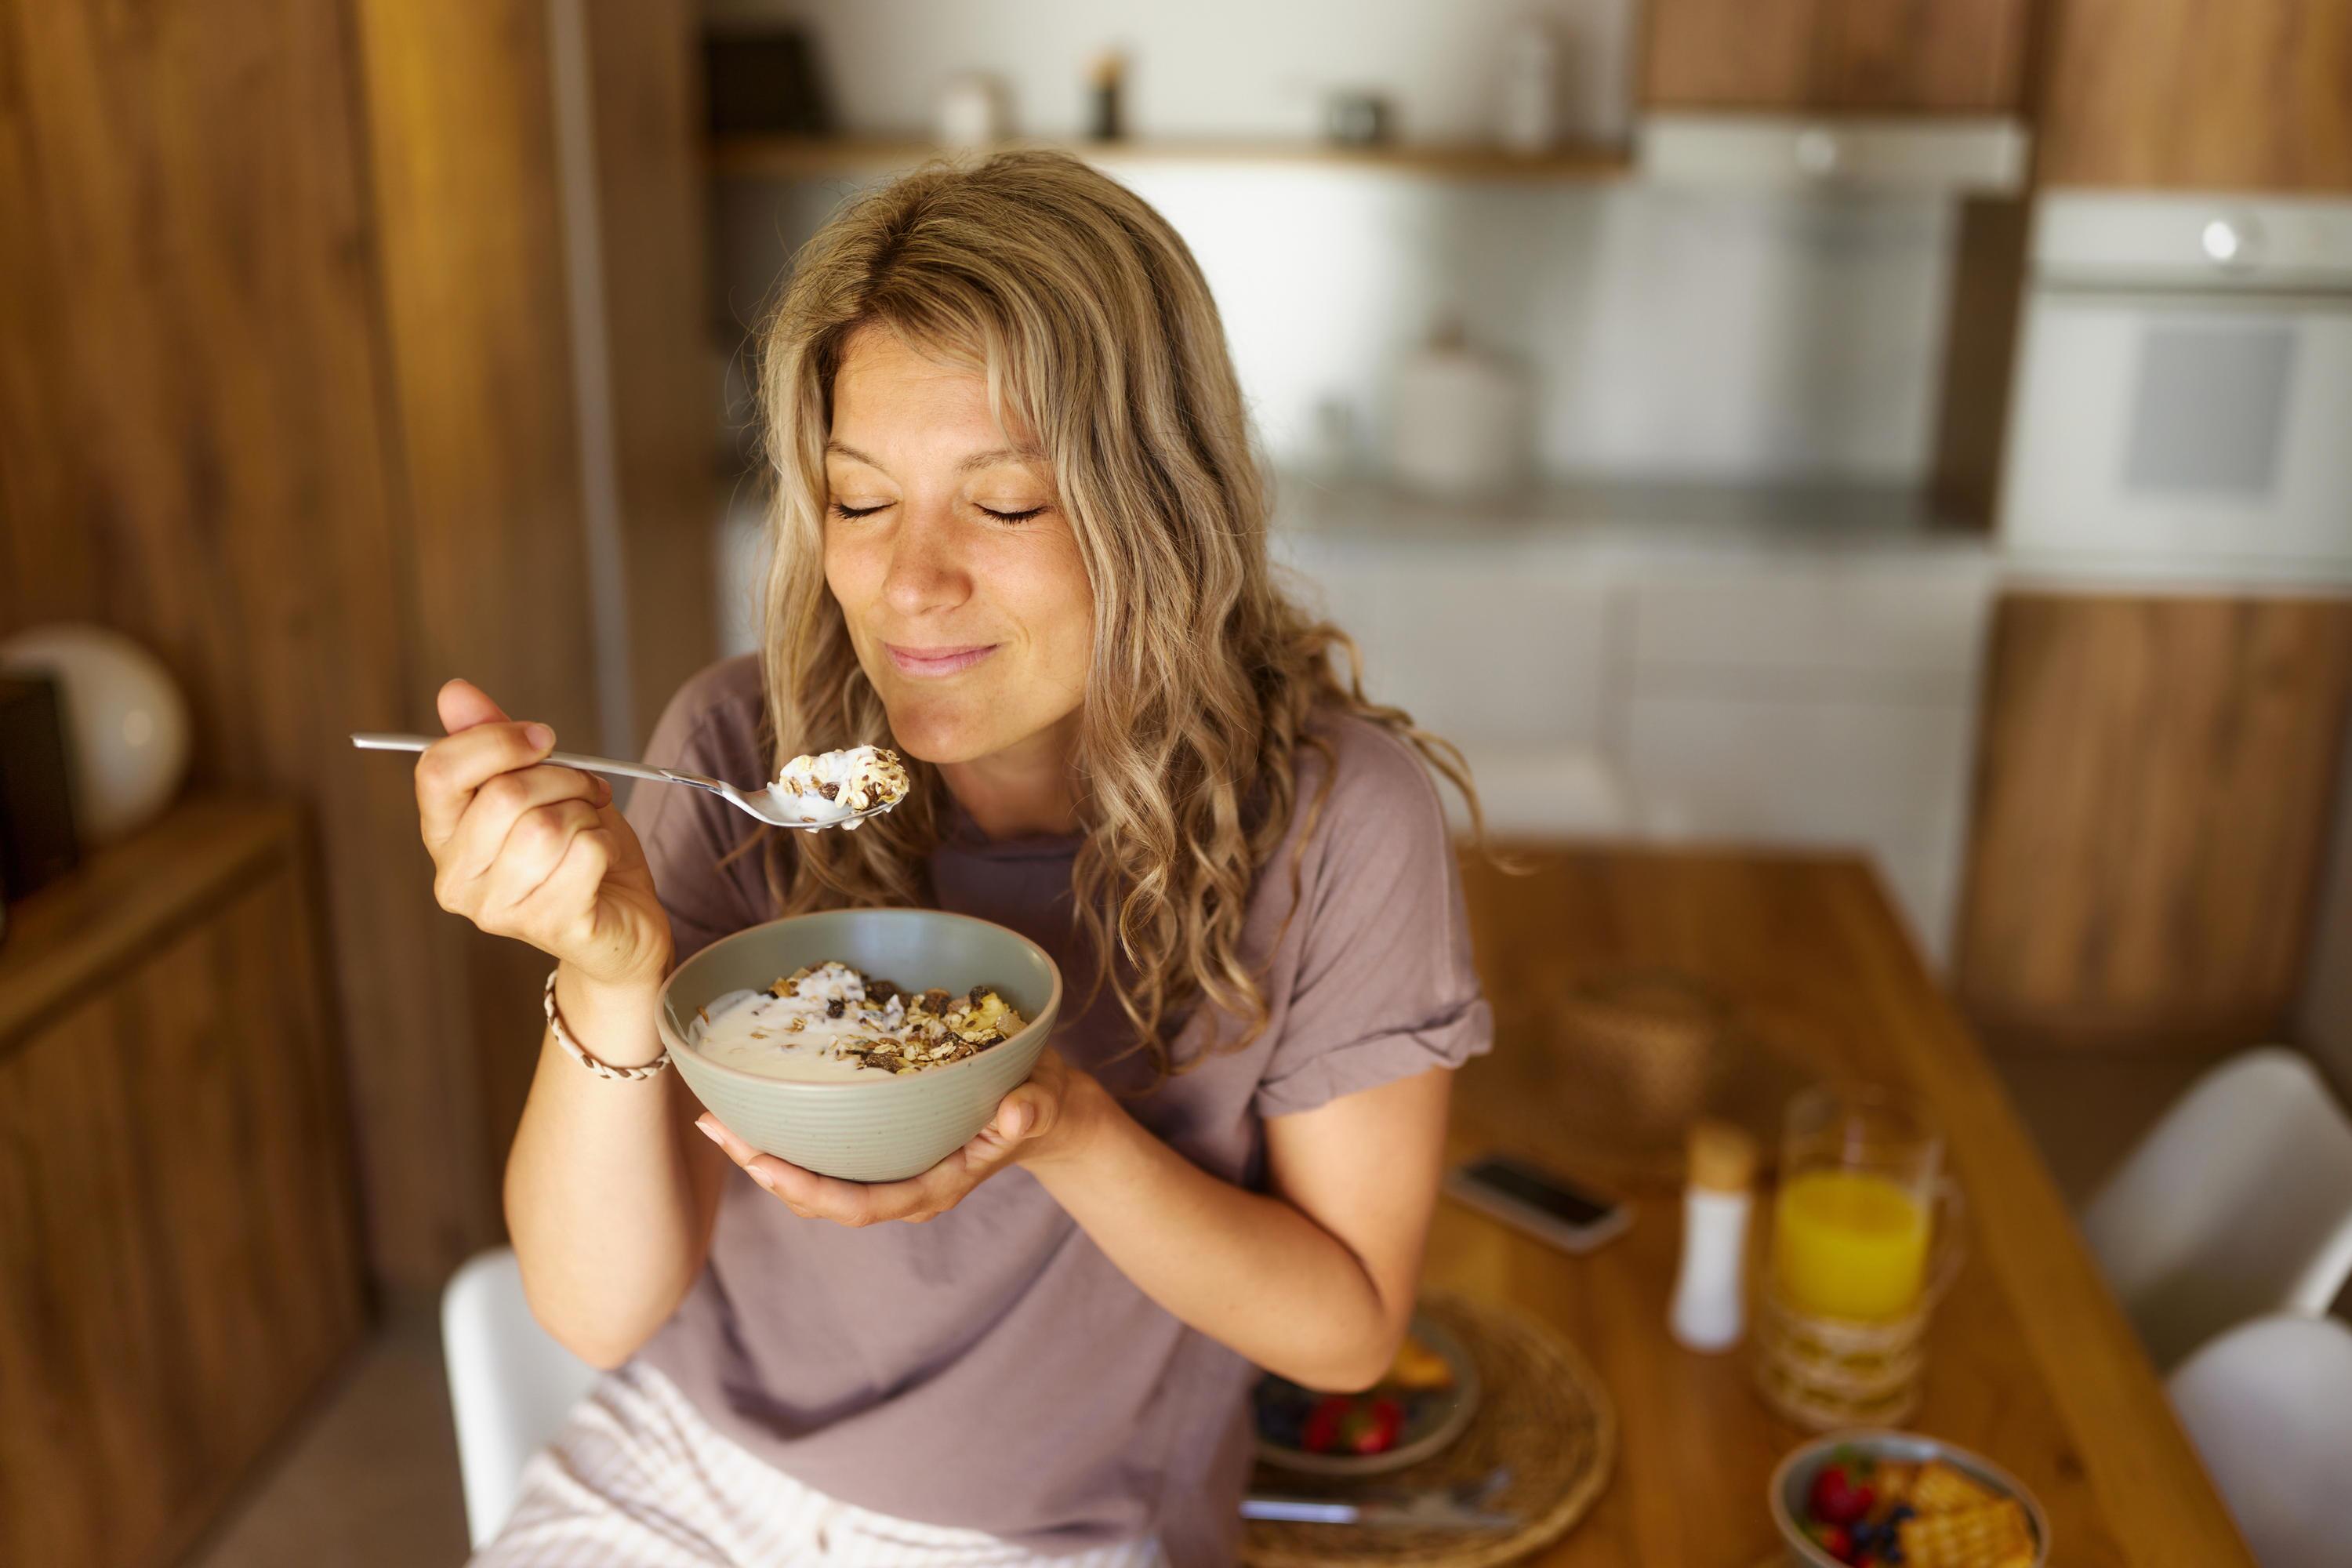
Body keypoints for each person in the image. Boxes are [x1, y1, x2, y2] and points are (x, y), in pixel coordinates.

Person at [414, 149, 1490, 1568]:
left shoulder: (1338, 820)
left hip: (1044, 1528)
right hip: (680, 1467)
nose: (911, 585)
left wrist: (1062, 1127)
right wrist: (609, 976)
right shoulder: (741, 746)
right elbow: (596, 1312)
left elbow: (1346, 1335)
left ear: (1162, 508)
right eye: (861, 503)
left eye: (1007, 503)